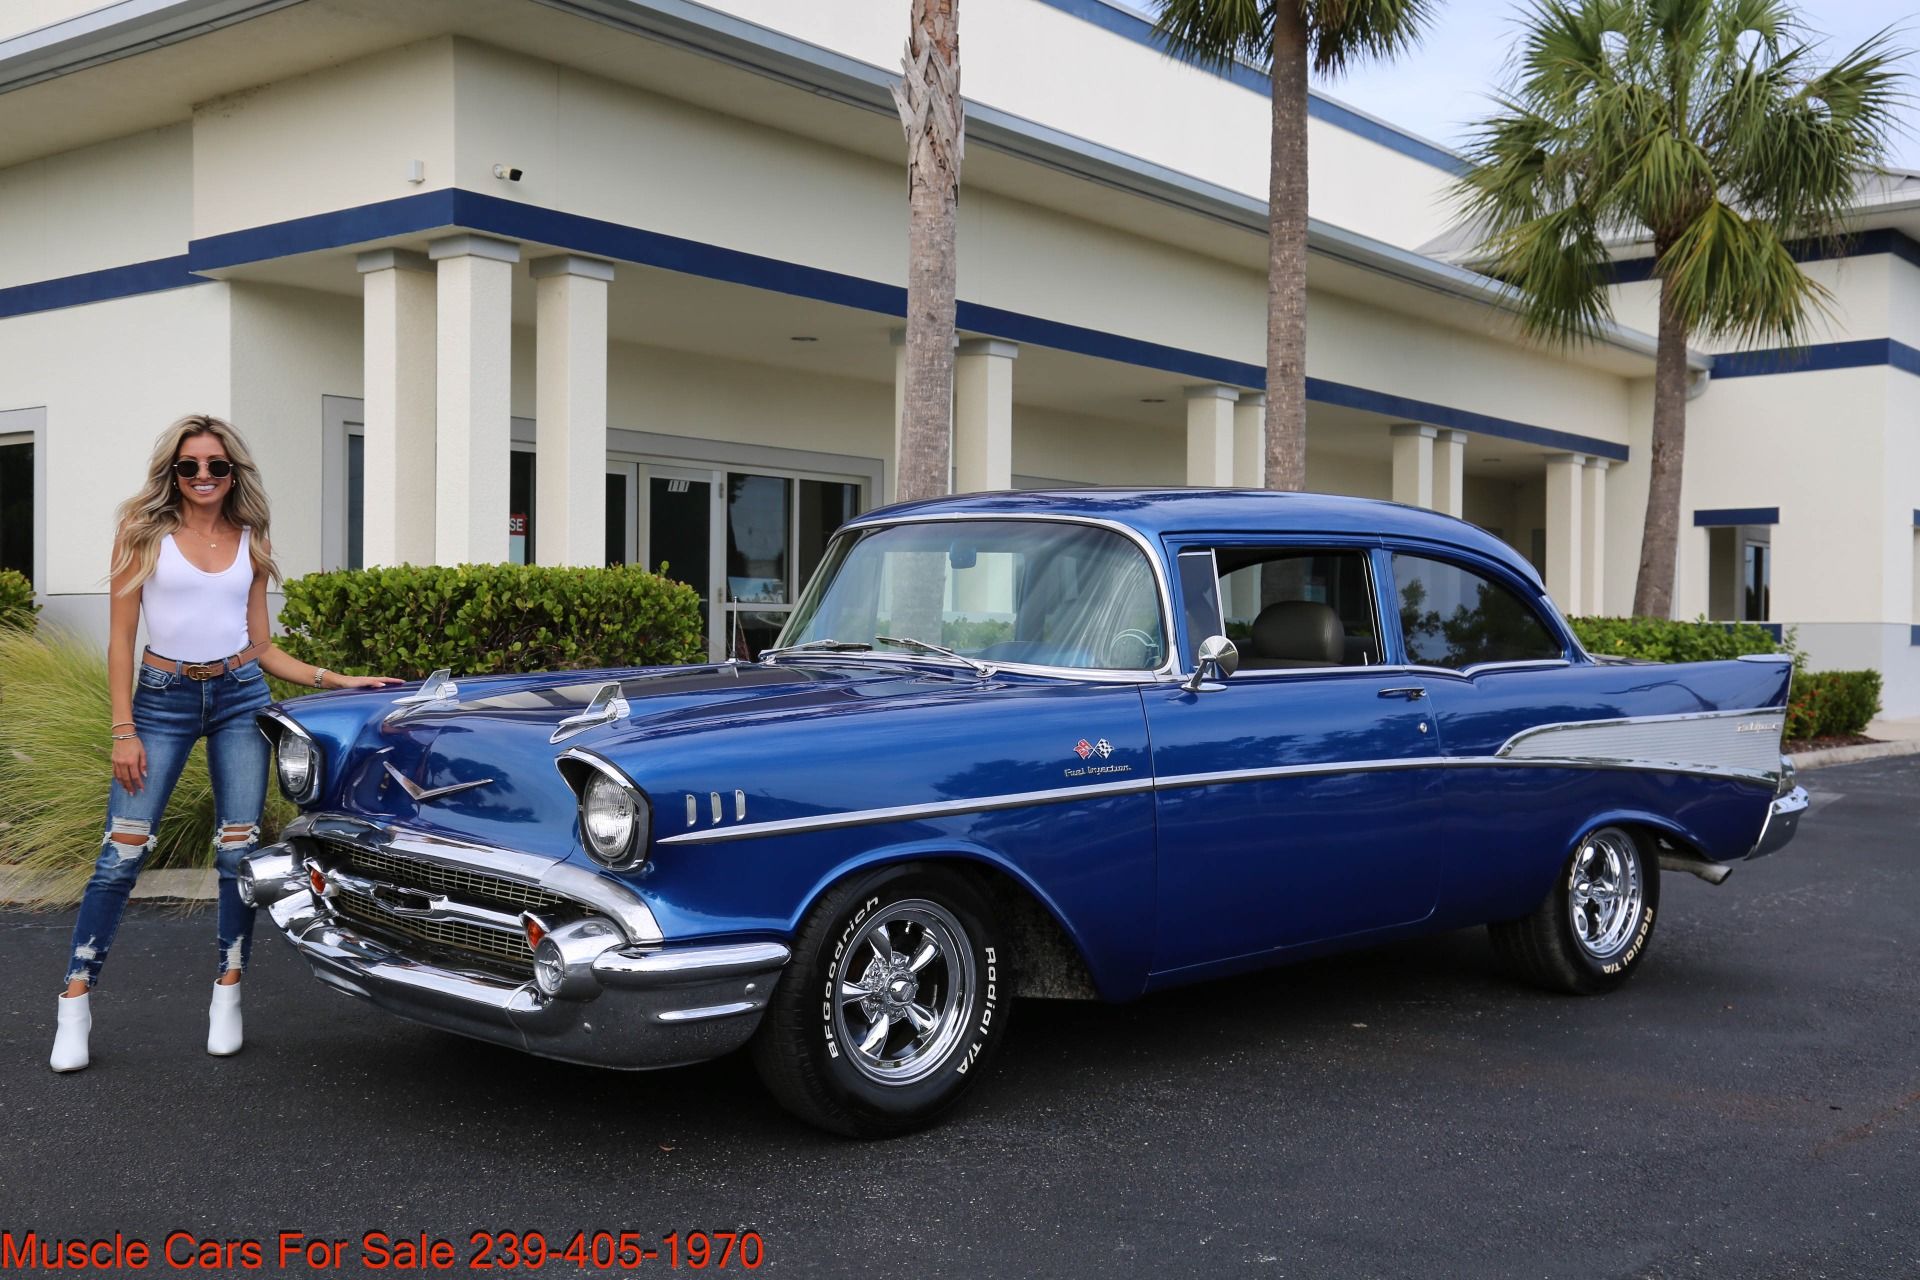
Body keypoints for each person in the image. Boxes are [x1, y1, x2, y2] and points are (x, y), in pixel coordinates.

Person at [50, 414, 402, 1072]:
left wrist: (337, 677)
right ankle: (75, 1000)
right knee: (120, 856)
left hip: (241, 693)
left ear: (233, 472)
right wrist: (122, 729)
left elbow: (263, 646)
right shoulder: (143, 532)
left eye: (216, 465)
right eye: (191, 466)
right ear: (173, 473)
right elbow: (121, 641)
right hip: (160, 698)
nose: (204, 476)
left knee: (238, 853)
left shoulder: (250, 538)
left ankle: (228, 993)